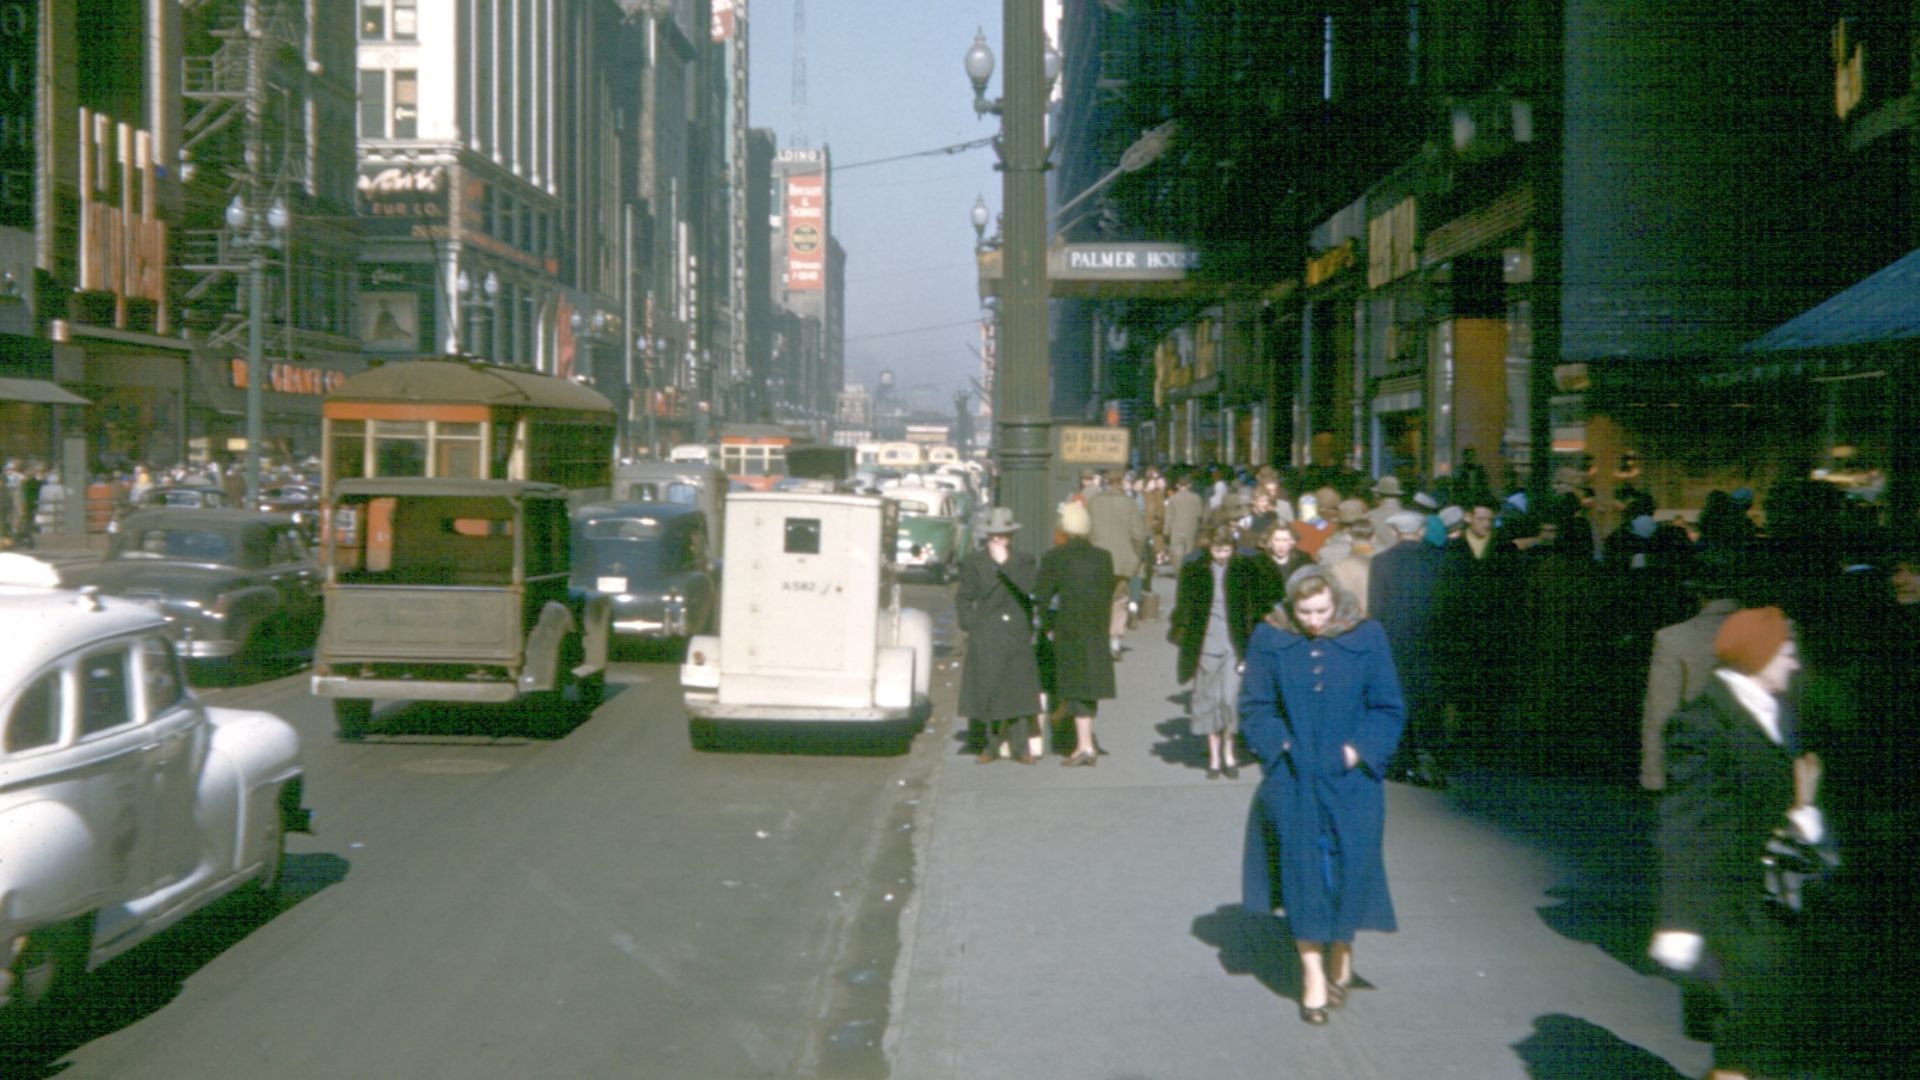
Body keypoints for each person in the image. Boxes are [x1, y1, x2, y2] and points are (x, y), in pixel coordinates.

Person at [1650, 606, 1828, 1080]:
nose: (1793, 663)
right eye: (1785, 653)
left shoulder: (1775, 712)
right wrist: (1679, 920)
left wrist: (1800, 816)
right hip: (1726, 902)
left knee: (1762, 1032)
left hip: (1766, 900)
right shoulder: (1702, 724)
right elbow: (1681, 827)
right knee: (1746, 1032)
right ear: (1757, 655)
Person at [1239, 565, 1407, 1026]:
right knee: (1302, 873)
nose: (1313, 621)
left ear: (1336, 603)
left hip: (1352, 781)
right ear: (1291, 606)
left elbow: (1388, 706)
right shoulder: (1269, 637)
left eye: (1322, 611)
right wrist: (1282, 747)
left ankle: (1343, 944)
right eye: (1304, 611)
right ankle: (1312, 975)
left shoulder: (1367, 636)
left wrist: (1357, 753)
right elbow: (1255, 706)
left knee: (1348, 869)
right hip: (1293, 779)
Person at [955, 507, 1044, 765]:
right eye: (994, 535)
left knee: (1018, 689)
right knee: (990, 689)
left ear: (1010, 536)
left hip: (1015, 630)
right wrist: (972, 623)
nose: (998, 540)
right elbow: (964, 596)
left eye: (1003, 535)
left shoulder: (1024, 561)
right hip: (987, 631)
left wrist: (1005, 562)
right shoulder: (974, 561)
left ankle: (1021, 747)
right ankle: (990, 745)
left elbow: (1028, 588)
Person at [1034, 501, 1117, 766]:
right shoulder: (1103, 557)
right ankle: (1085, 742)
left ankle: (1084, 747)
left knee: (1074, 685)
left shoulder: (1054, 557)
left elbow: (1043, 597)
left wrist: (1047, 626)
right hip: (1095, 629)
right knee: (1088, 687)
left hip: (1068, 629)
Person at [1170, 525, 1248, 779]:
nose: (1222, 555)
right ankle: (1214, 756)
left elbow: (1250, 612)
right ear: (1209, 548)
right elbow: (1184, 608)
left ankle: (1229, 751)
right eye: (1217, 550)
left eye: (1226, 550)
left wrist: (1248, 652)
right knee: (1208, 701)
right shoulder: (1196, 571)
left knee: (1230, 700)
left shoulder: (1242, 571)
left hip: (1234, 646)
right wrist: (1183, 637)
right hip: (1205, 644)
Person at [1088, 469, 1149, 657]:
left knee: (1099, 600)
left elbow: (1086, 529)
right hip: (1122, 561)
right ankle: (1114, 642)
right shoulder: (1129, 504)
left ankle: (1098, 640)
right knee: (1119, 600)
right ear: (1122, 482)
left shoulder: (1094, 502)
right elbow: (1139, 535)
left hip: (1096, 560)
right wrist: (1136, 557)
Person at [1164, 474, 1205, 571]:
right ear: (1189, 485)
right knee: (1189, 551)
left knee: (1177, 552)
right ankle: (1188, 571)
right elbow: (1199, 515)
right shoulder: (1196, 498)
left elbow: (1169, 516)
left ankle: (1178, 571)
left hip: (1176, 529)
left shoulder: (1172, 499)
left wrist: (1166, 531)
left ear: (1178, 486)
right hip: (1191, 528)